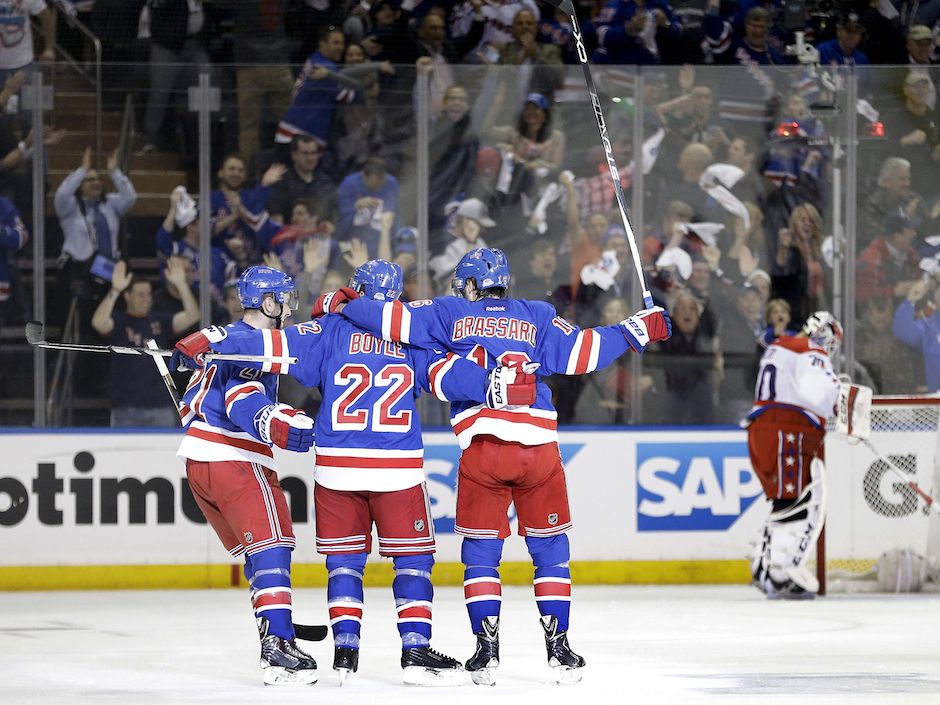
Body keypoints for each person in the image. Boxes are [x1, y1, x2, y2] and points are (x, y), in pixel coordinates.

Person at [176, 259, 538, 686]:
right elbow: (447, 378)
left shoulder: (327, 329)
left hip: (336, 467)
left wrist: (212, 338)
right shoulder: (410, 335)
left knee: (343, 561)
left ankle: (344, 654)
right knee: (414, 560)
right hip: (397, 468)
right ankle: (415, 653)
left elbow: (266, 347)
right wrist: (496, 383)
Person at [335, 247, 672, 685]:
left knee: (481, 555)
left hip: (485, 447)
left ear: (472, 285)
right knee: (551, 552)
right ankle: (560, 649)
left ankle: (485, 651)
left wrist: (341, 301)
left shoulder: (449, 312)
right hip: (539, 451)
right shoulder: (537, 313)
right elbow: (583, 352)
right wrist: (637, 329)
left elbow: (387, 319)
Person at [170, 265, 320, 685]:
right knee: (274, 545)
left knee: (262, 553)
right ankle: (276, 646)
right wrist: (277, 421)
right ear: (268, 302)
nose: (289, 306)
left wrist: (206, 339)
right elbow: (242, 400)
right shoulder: (250, 343)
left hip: (201, 461)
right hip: (233, 456)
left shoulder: (235, 344)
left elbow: (221, 358)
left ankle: (278, 628)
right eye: (284, 298)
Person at [746, 311, 843, 599]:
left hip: (761, 429)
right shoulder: (810, 350)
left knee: (783, 500)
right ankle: (781, 572)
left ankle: (763, 565)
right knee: (802, 499)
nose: (830, 350)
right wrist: (841, 401)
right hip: (787, 430)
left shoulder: (779, 347)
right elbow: (820, 391)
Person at [90, 258, 199, 427]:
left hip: (160, 405)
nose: (146, 299)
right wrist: (115, 290)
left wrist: (182, 285)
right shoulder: (119, 321)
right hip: (125, 407)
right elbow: (98, 323)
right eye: (140, 295)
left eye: (148, 294)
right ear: (128, 296)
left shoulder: (159, 321)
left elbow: (192, 316)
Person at [54, 148, 137, 330]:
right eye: (90, 179)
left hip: (108, 268)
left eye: (99, 179)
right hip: (79, 271)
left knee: (111, 318)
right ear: (80, 184)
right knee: (83, 321)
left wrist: (114, 172)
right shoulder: (70, 207)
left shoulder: (110, 204)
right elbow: (61, 194)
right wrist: (82, 170)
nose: (96, 182)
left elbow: (130, 197)